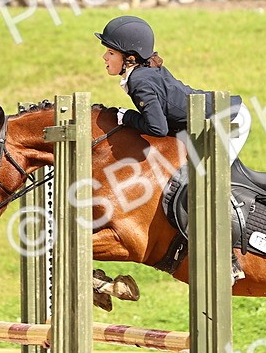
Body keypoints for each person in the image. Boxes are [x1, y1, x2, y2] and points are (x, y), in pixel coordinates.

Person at [96, 14, 253, 278]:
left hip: (229, 120)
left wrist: (126, 116)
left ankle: (229, 259)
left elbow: (157, 128)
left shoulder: (140, 80)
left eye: (110, 52)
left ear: (130, 58)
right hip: (205, 121)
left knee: (202, 183)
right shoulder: (143, 72)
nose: (104, 57)